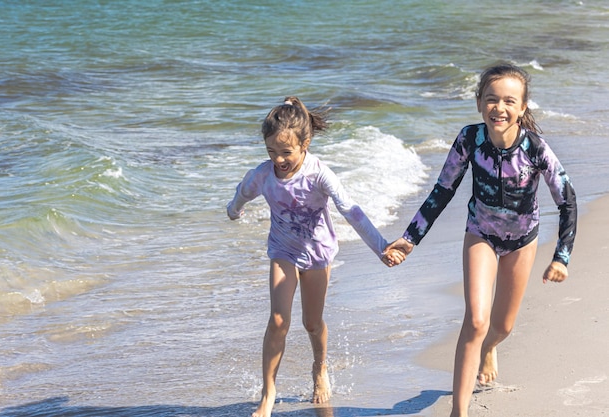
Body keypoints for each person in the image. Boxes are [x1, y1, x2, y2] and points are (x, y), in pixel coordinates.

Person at [384, 64, 577, 417]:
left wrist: (561, 256)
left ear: (522, 107)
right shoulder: (469, 140)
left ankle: (490, 347)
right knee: (476, 319)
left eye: (508, 101)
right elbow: (442, 189)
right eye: (491, 99)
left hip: (522, 240)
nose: (498, 108)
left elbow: (567, 199)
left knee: (502, 326)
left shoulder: (535, 148)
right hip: (481, 235)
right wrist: (410, 238)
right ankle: (460, 410)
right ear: (478, 103)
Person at [227, 96, 404, 417]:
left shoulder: (319, 173)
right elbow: (244, 190)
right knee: (278, 320)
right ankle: (268, 394)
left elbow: (352, 211)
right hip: (283, 250)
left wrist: (381, 248)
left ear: (305, 143)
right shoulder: (264, 174)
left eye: (286, 152)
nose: (278, 160)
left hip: (318, 253)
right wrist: (233, 209)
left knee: (311, 322)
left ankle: (319, 367)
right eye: (271, 152)